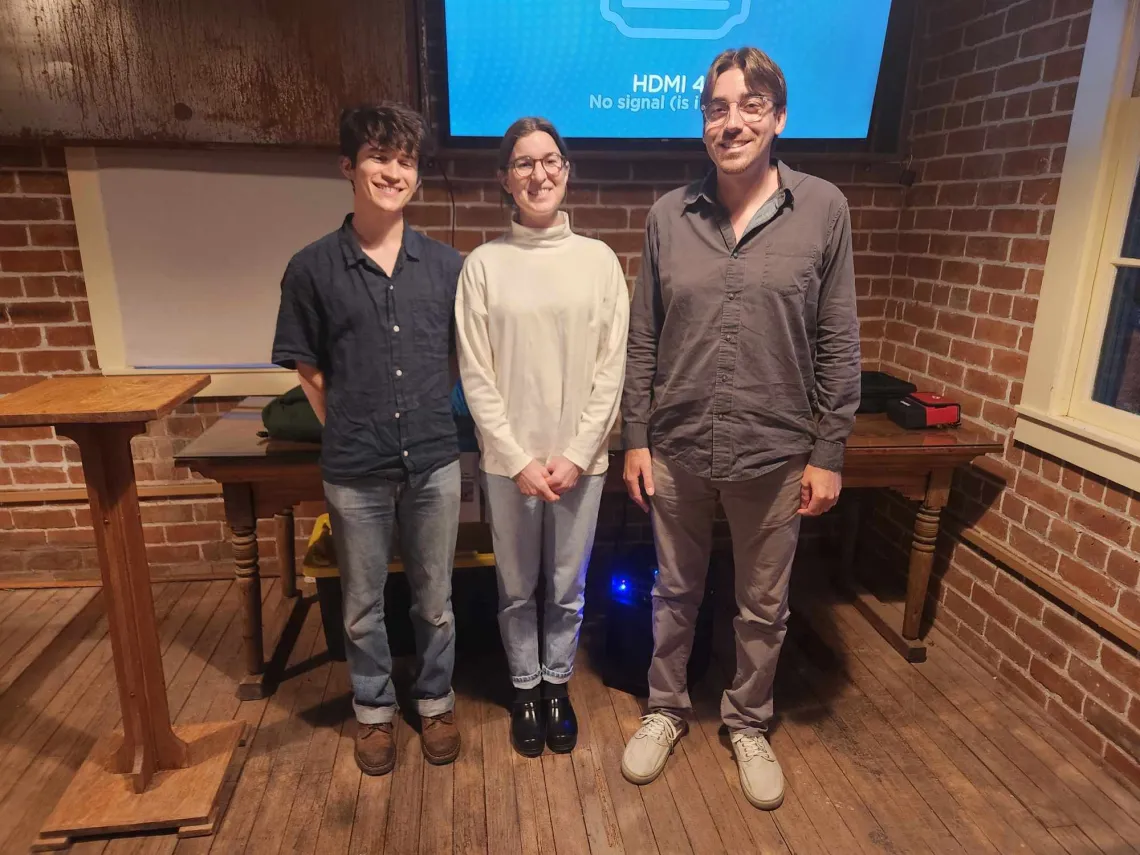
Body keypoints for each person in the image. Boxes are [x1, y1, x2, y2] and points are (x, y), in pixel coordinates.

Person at [619, 47, 860, 809]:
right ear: (703, 123)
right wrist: (635, 436)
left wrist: (829, 450)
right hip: (680, 446)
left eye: (751, 106)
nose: (734, 121)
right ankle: (665, 709)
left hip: (775, 449)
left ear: (779, 118)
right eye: (719, 107)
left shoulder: (824, 209)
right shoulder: (667, 216)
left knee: (763, 603)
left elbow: (838, 339)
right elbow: (644, 339)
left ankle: (749, 719)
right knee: (674, 591)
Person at [271, 104, 464, 777]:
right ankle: (374, 713)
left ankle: (435, 700)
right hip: (355, 468)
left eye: (405, 160)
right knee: (360, 605)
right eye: (379, 157)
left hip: (435, 460)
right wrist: (353, 429)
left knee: (435, 597)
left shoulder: (446, 267)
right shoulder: (311, 268)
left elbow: (452, 362)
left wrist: (415, 416)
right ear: (350, 167)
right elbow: (310, 369)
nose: (393, 171)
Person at [455, 117, 629, 758]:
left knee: (567, 585)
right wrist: (520, 458)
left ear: (567, 171)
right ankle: (523, 687)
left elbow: (612, 369)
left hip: (580, 464)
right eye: (524, 163)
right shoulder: (484, 267)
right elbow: (476, 373)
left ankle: (558, 685)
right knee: (517, 584)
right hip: (510, 466)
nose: (539, 174)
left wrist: (578, 453)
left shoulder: (599, 262)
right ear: (505, 179)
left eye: (550, 160)